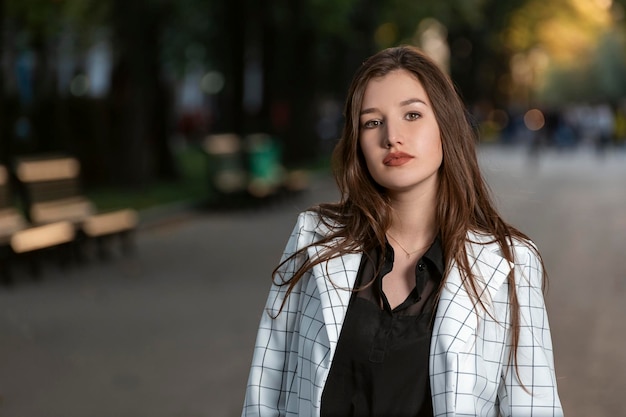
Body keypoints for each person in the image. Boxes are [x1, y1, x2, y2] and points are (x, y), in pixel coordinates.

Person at [242, 45, 563, 417]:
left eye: (412, 115)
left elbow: (533, 405)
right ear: (358, 142)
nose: (392, 136)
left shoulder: (510, 261)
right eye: (372, 122)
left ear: (446, 125)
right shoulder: (314, 237)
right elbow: (266, 389)